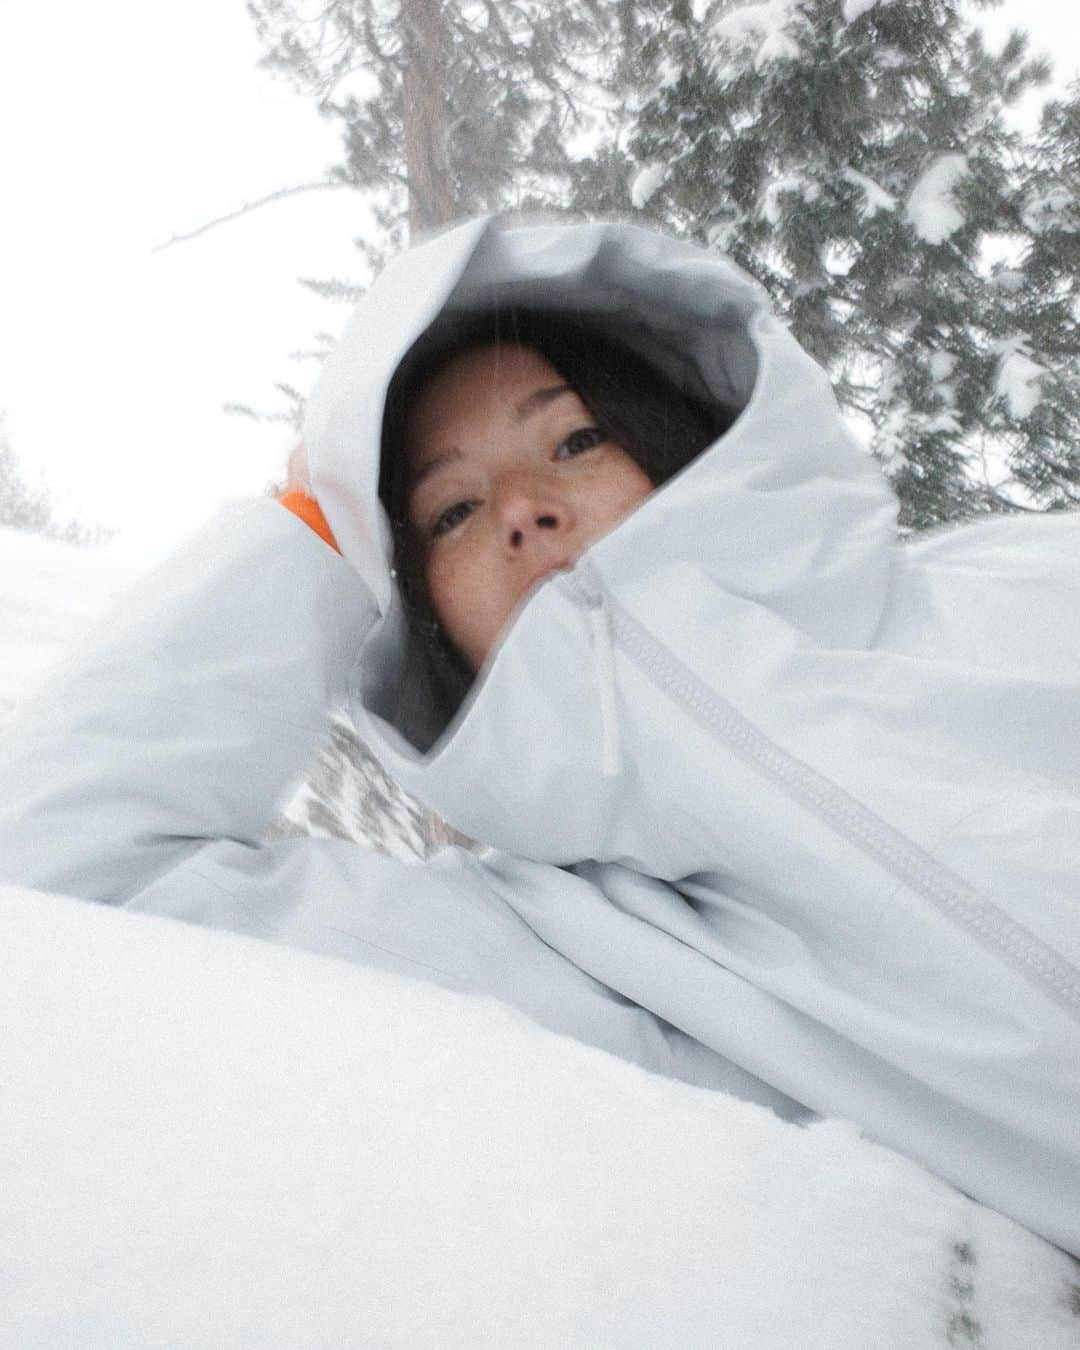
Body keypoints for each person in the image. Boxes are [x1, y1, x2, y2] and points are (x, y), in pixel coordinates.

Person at [1, 214, 1078, 1256]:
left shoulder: (1021, 586)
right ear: (426, 618)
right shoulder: (570, 944)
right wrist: (309, 537)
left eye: (572, 438)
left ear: (677, 443)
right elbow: (57, 885)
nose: (521, 505)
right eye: (451, 514)